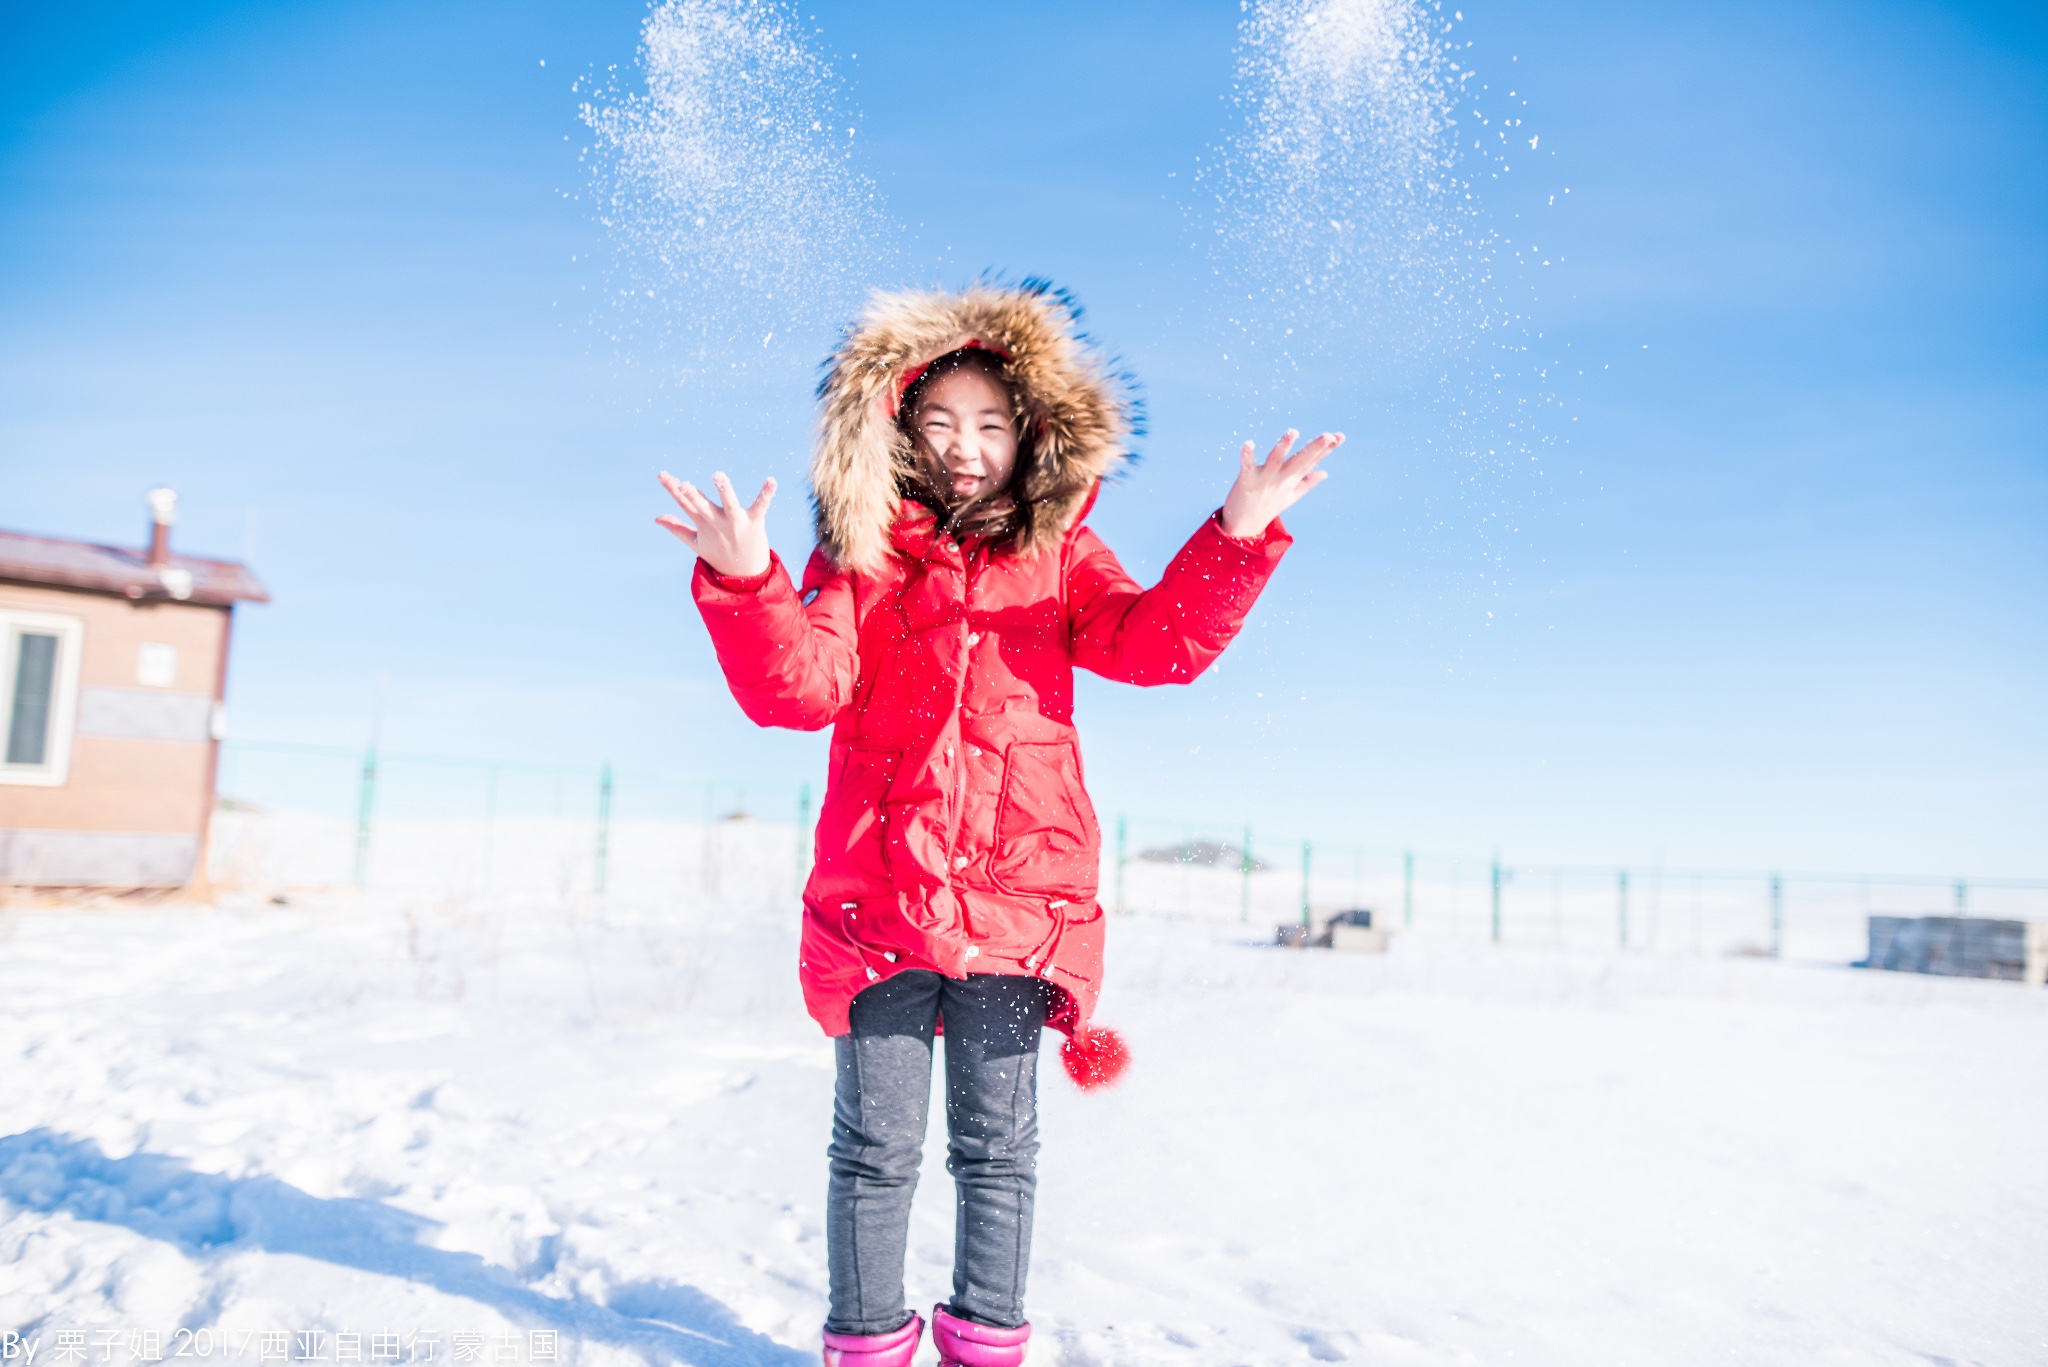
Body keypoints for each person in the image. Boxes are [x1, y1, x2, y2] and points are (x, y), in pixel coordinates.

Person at [658, 282, 1337, 1367]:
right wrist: (748, 583)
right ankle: (867, 1342)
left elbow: (1154, 644)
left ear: (1032, 434)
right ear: (893, 431)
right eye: (937, 422)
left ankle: (983, 1343)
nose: (964, 446)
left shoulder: (1063, 554)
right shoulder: (861, 558)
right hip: (879, 899)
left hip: (1020, 905)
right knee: (874, 1148)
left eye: (988, 423)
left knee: (997, 1148)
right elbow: (802, 686)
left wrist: (1236, 536)